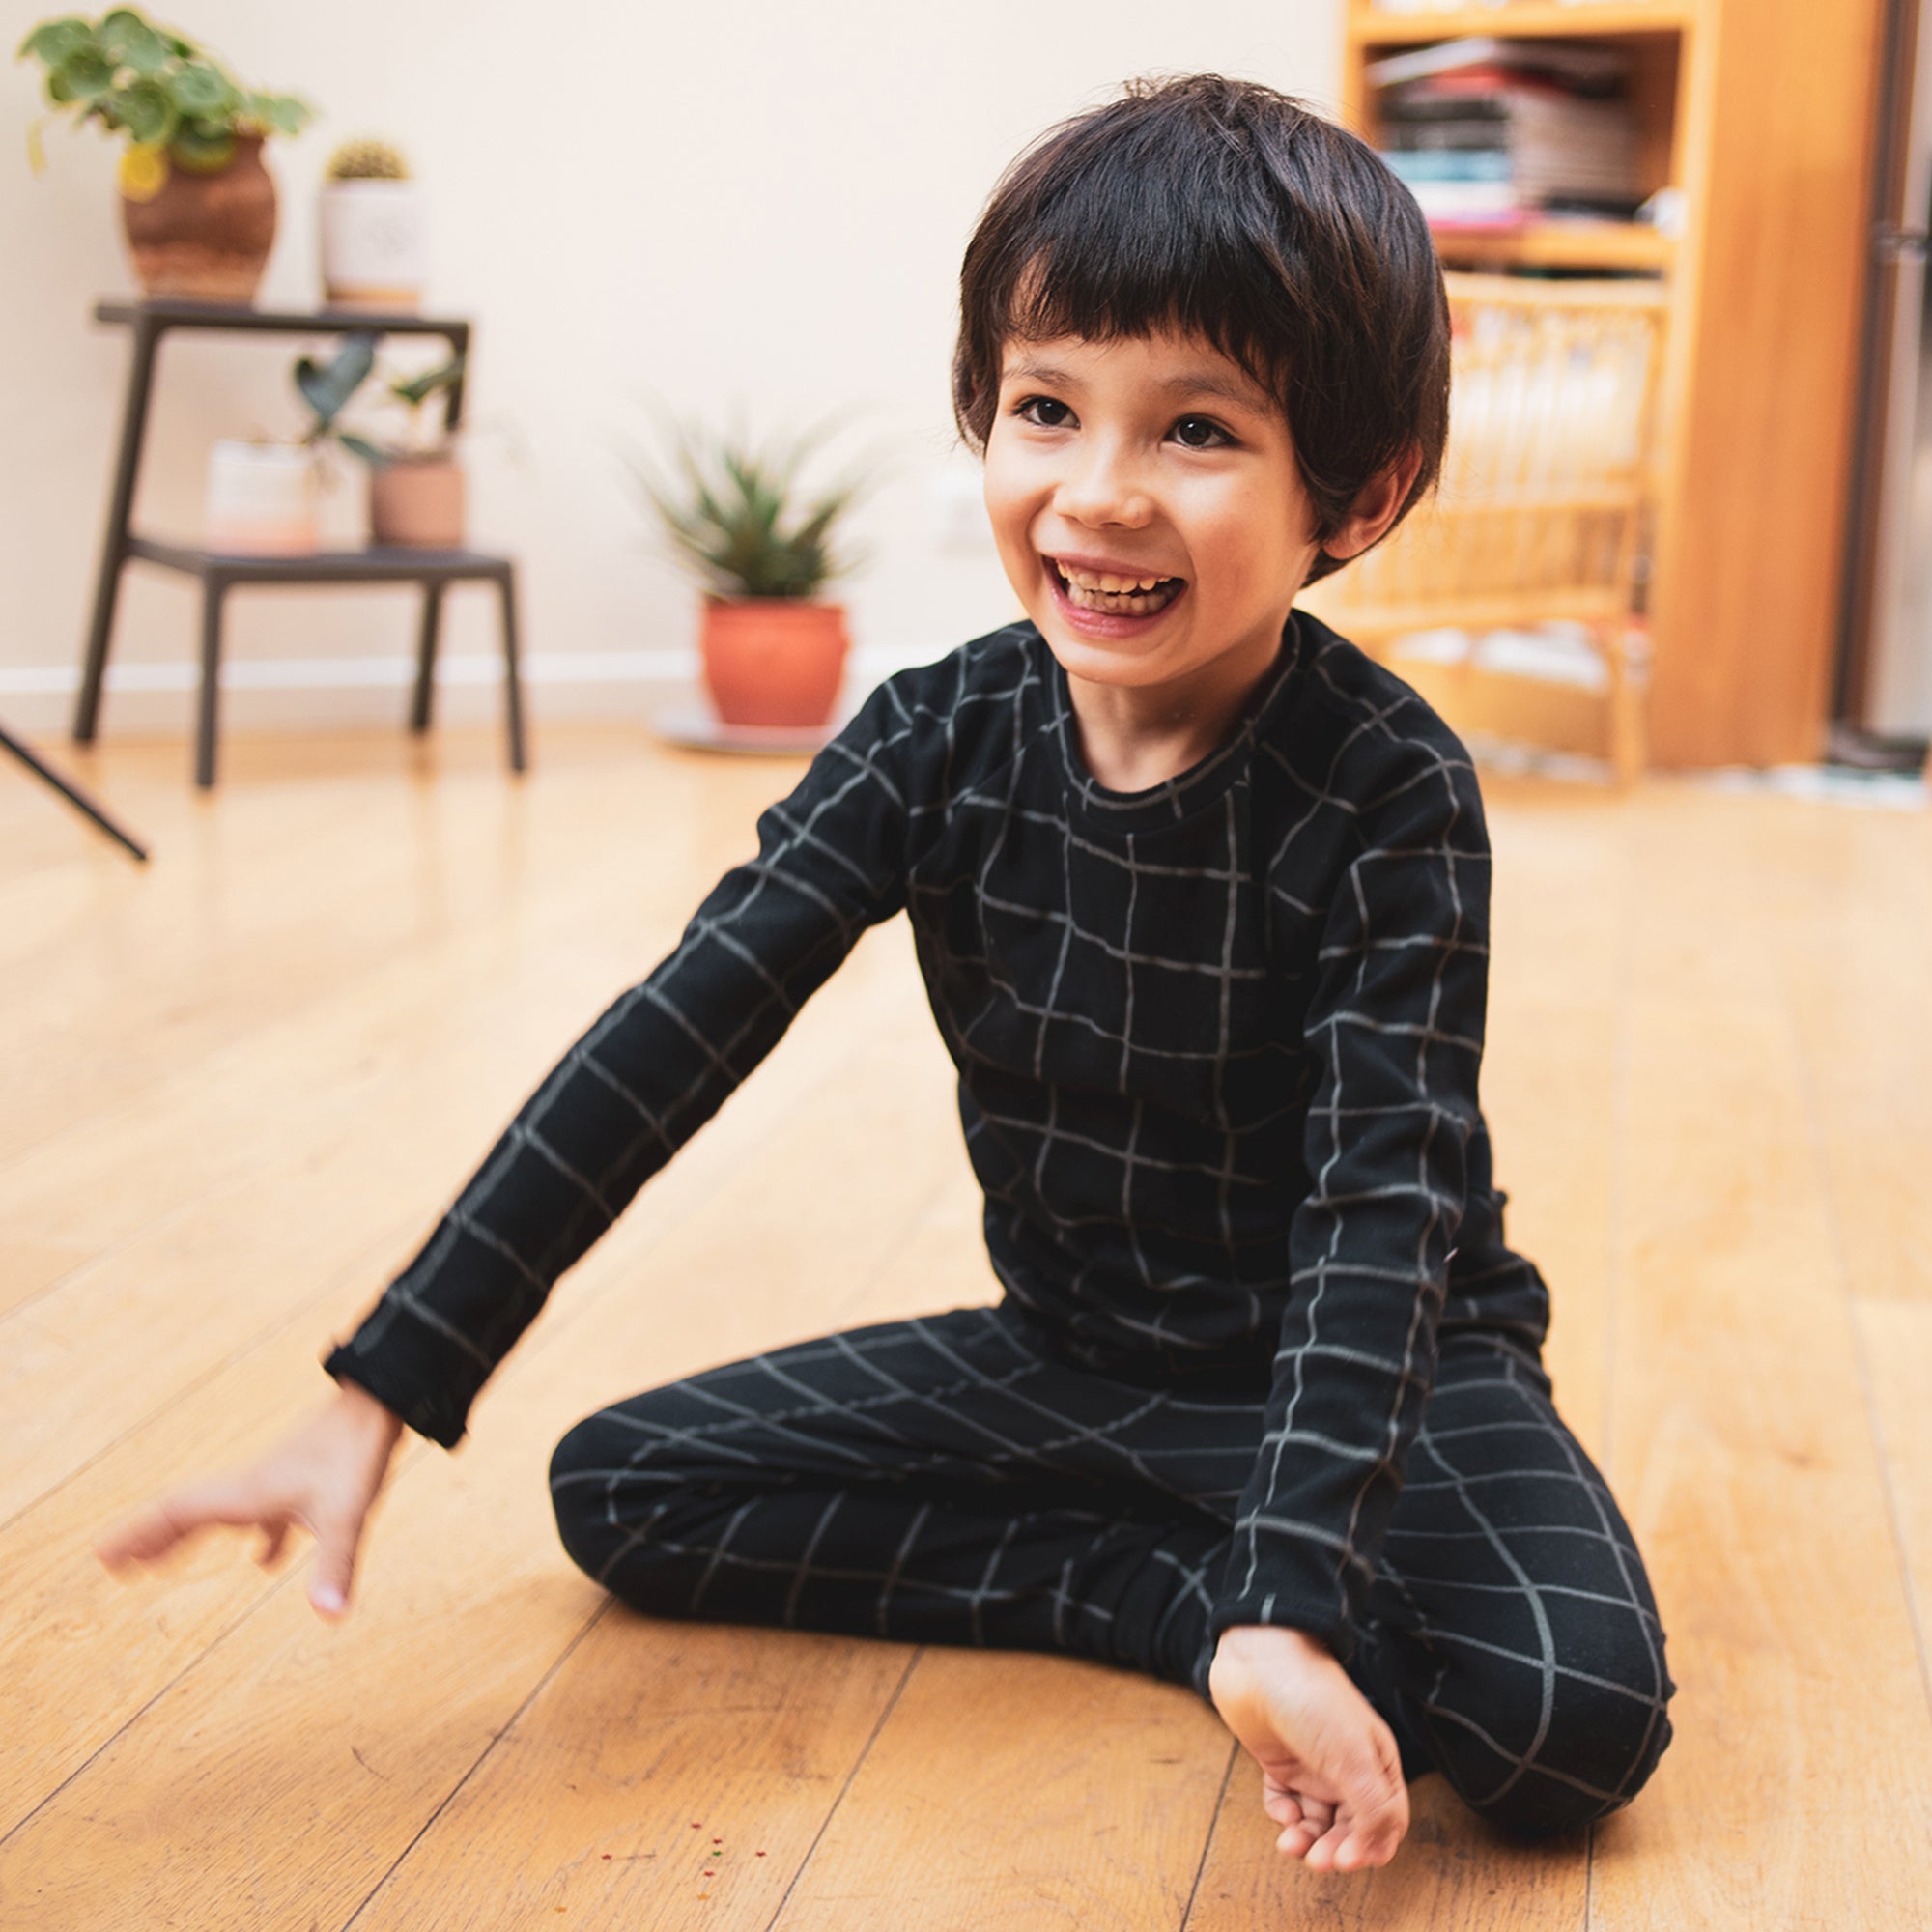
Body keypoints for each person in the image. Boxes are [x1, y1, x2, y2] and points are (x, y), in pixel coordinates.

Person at [97, 74, 1674, 1873]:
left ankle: (1265, 1591)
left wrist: (1306, 1574)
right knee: (629, 1491)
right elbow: (667, 1040)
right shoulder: (934, 737)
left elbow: (1377, 1210)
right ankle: (1186, 1606)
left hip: (1388, 1367)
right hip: (1078, 1355)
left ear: (1362, 490)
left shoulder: (1396, 790)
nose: (1098, 495)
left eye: (1199, 433)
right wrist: (376, 1394)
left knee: (1569, 1731)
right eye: (1044, 409)